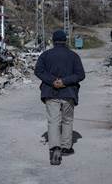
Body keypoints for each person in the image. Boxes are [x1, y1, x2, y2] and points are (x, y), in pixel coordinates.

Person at [34, 30, 85, 166]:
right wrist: (64, 81)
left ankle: (54, 148)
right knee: (67, 121)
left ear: (53, 40)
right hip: (68, 93)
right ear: (65, 40)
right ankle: (66, 148)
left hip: (50, 92)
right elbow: (80, 75)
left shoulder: (45, 55)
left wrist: (53, 81)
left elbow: (38, 71)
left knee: (53, 121)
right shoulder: (74, 56)